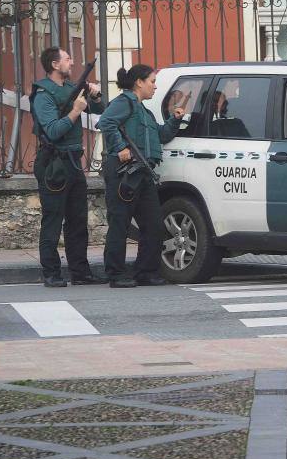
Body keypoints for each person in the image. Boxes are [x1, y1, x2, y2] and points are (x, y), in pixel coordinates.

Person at [97, 64, 184, 288]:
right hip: (124, 172)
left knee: (153, 224)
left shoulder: (144, 111)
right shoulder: (123, 103)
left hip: (143, 172)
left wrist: (175, 119)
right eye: (152, 82)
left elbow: (161, 136)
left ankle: (145, 271)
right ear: (139, 82)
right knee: (120, 223)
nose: (155, 87)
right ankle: (115, 274)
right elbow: (105, 122)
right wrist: (120, 147)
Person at [30, 47, 106, 288]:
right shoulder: (43, 94)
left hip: (73, 161)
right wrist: (75, 111)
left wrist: (94, 96)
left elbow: (101, 111)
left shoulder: (69, 89)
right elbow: (52, 130)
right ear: (54, 64)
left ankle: (80, 272)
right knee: (53, 219)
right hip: (54, 163)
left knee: (77, 220)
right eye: (67, 59)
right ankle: (51, 273)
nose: (72, 63)